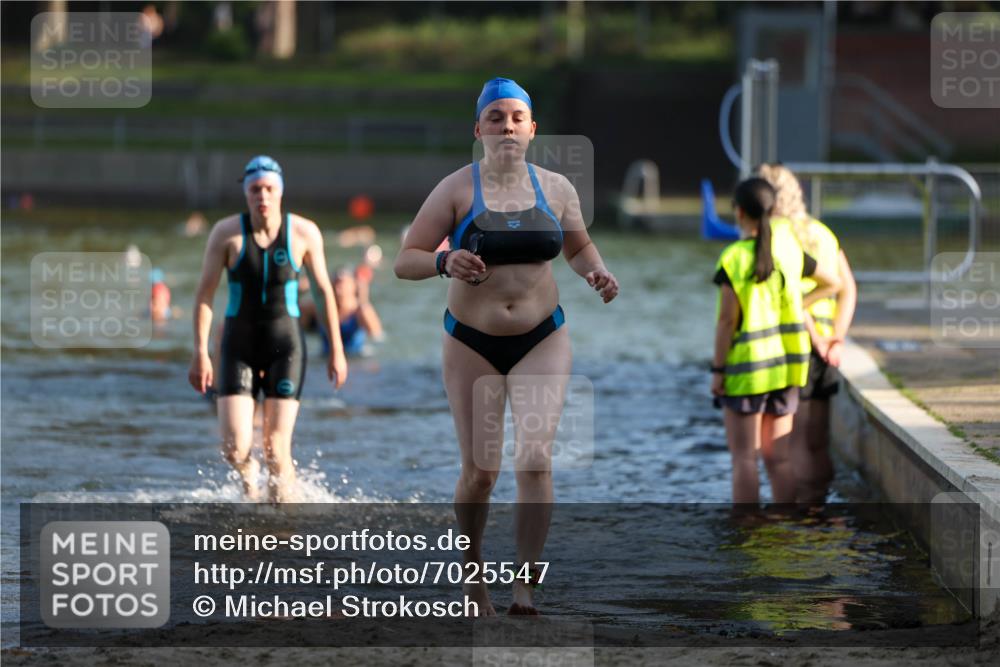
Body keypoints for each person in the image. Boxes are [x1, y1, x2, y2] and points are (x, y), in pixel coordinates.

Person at [394, 77, 619, 616]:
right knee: (481, 473)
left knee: (536, 460)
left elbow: (578, 245)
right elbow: (406, 259)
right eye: (495, 117)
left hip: (543, 336)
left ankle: (524, 587)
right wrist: (445, 261)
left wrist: (597, 271)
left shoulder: (558, 187)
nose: (507, 126)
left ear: (533, 128)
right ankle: (474, 582)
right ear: (479, 129)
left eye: (517, 117)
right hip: (471, 342)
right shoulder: (456, 190)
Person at [188, 155, 348, 502]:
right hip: (237, 345)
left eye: (269, 189)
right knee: (234, 448)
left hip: (285, 345)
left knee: (276, 448)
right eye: (255, 189)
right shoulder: (226, 233)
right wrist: (201, 353)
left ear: (280, 192)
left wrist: (336, 349)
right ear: (246, 193)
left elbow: (323, 293)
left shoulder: (304, 233)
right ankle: (251, 489)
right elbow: (204, 295)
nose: (262, 196)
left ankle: (283, 520)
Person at [711, 178, 840, 506]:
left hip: (747, 370)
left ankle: (748, 530)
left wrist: (717, 370)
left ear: (739, 213)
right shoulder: (791, 251)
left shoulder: (734, 258)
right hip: (786, 369)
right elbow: (832, 282)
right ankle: (785, 525)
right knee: (778, 459)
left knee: (744, 459)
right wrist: (799, 303)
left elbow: (727, 321)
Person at [756, 164, 858, 504]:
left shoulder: (776, 237)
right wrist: (836, 337)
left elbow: (791, 299)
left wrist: (813, 335)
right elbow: (847, 287)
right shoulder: (822, 232)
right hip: (826, 348)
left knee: (794, 442)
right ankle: (819, 510)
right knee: (818, 441)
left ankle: (798, 517)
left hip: (794, 345)